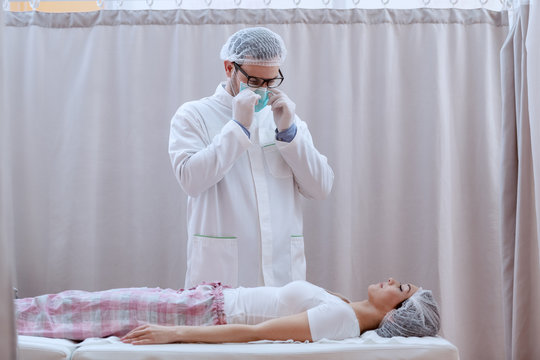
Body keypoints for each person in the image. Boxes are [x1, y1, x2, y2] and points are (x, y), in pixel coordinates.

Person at [168, 27, 334, 289]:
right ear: (229, 68)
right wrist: (237, 129)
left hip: (282, 278)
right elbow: (191, 180)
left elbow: (321, 187)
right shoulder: (194, 115)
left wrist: (290, 134)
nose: (262, 91)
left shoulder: (285, 118)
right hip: (222, 277)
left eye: (270, 82)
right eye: (254, 82)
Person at [15, 278, 440, 344]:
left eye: (399, 287)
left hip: (202, 315)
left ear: (395, 313)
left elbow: (258, 332)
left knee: (78, 308)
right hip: (206, 302)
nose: (389, 278)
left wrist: (173, 334)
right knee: (80, 306)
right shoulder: (346, 309)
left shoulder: (341, 320)